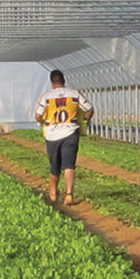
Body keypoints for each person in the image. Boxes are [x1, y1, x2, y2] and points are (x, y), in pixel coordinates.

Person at [35, 69, 91, 207]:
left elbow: (38, 115)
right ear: (63, 80)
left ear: (52, 82)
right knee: (69, 165)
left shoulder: (47, 97)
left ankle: (53, 193)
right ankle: (69, 194)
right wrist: (84, 120)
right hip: (71, 132)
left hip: (52, 135)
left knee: (54, 165)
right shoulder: (74, 94)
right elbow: (89, 109)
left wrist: (43, 120)